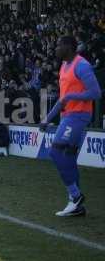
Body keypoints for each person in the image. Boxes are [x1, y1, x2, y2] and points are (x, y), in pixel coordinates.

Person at [40, 36, 101, 217]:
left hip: (78, 116)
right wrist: (47, 119)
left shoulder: (81, 65)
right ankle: (76, 206)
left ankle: (75, 196)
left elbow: (96, 93)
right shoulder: (64, 66)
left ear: (68, 47)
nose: (56, 48)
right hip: (68, 116)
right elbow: (63, 99)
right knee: (68, 156)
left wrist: (72, 97)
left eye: (59, 45)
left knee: (56, 152)